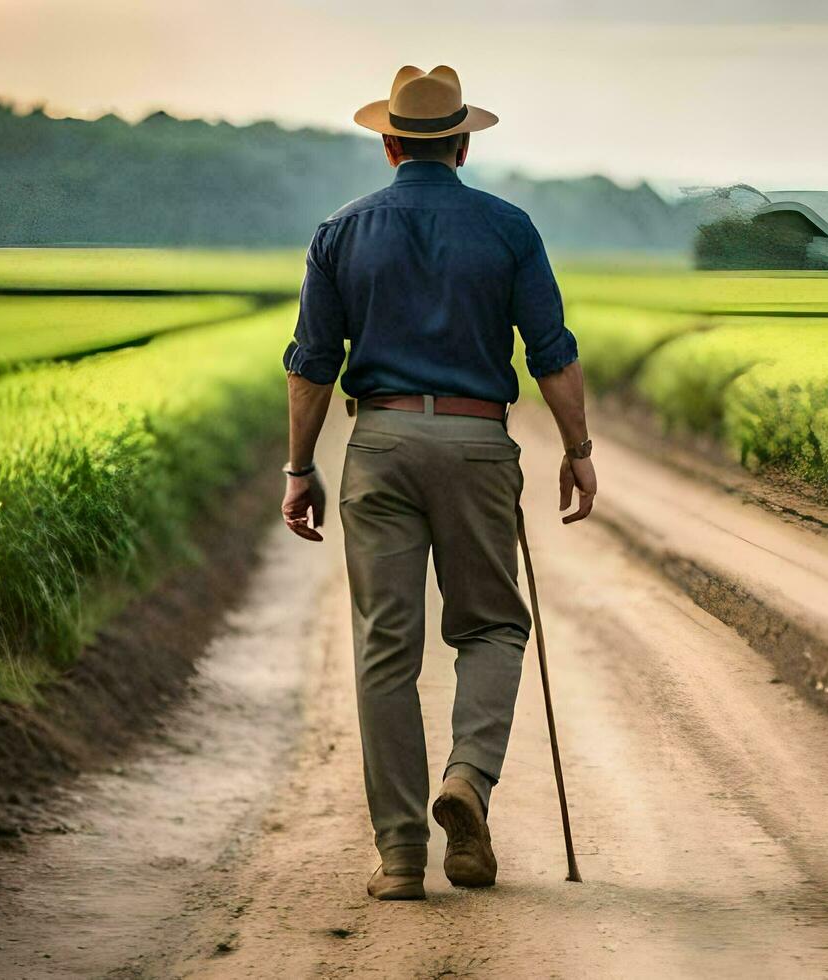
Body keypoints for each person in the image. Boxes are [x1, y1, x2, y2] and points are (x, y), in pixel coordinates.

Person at [279, 65, 596, 901]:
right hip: (475, 441)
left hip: (378, 443)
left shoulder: (339, 232)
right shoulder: (509, 228)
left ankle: (399, 858)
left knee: (387, 648)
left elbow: (312, 365)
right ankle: (468, 780)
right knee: (492, 626)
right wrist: (579, 447)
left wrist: (299, 466)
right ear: (462, 144)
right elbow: (552, 352)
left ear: (388, 144)